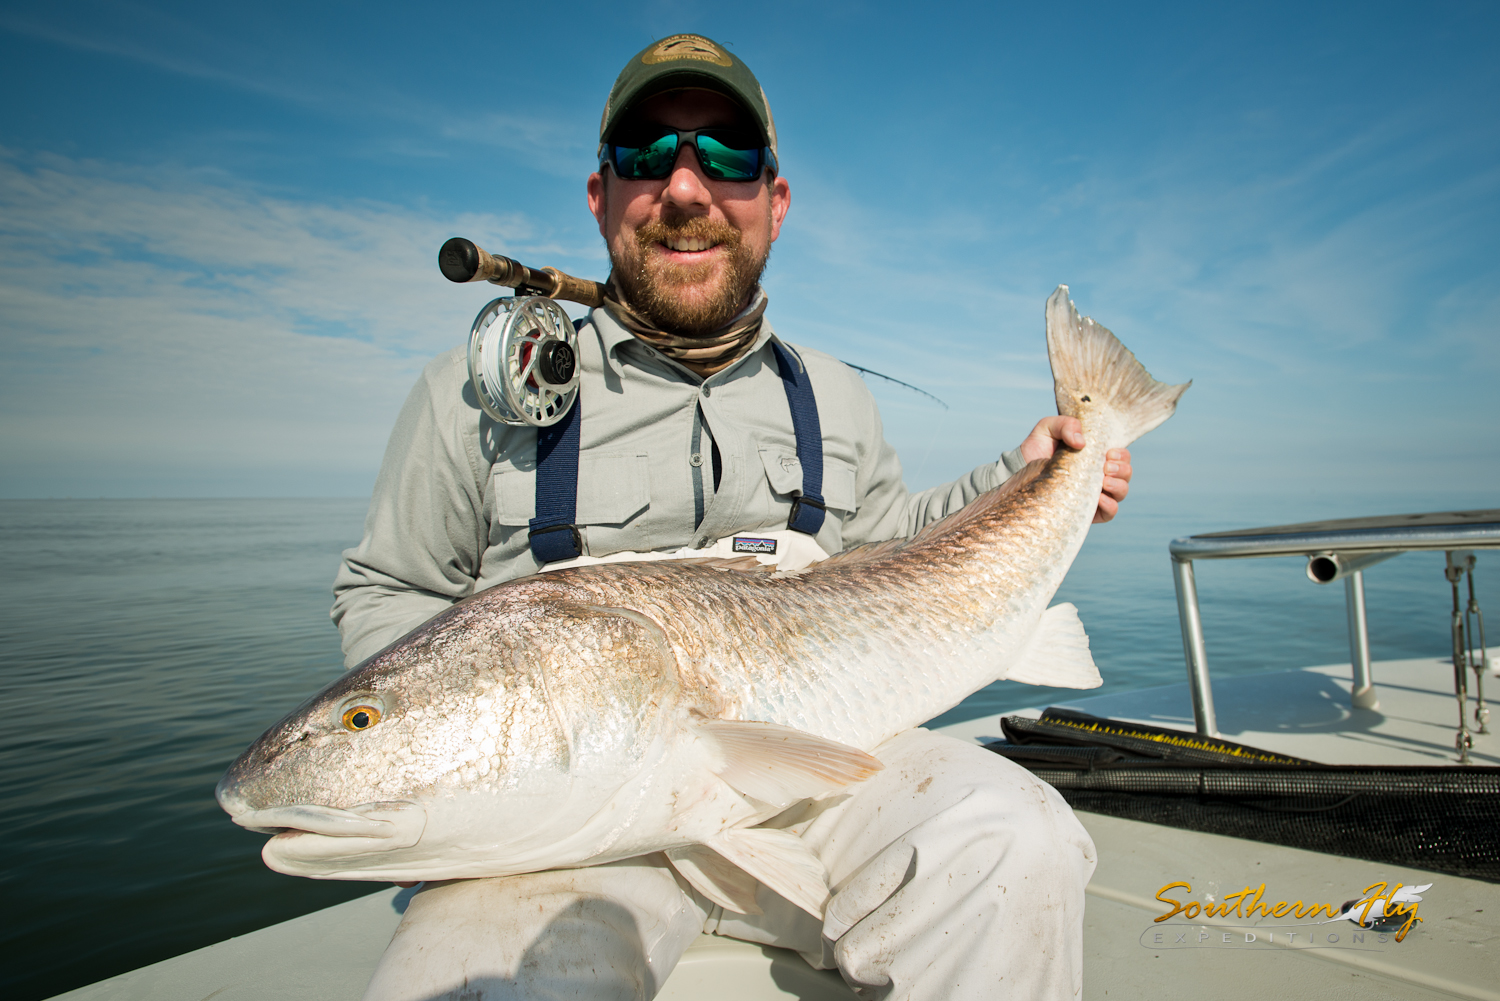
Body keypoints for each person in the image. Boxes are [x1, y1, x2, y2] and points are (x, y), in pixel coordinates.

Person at [334, 33, 1131, 1001]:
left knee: (1019, 839)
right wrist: (456, 754)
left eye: (727, 156)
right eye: (645, 155)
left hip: (814, 776)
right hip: (562, 828)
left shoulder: (831, 394)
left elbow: (896, 542)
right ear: (600, 197)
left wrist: (1033, 472)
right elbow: (388, 587)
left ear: (774, 203)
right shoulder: (472, 399)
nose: (684, 188)